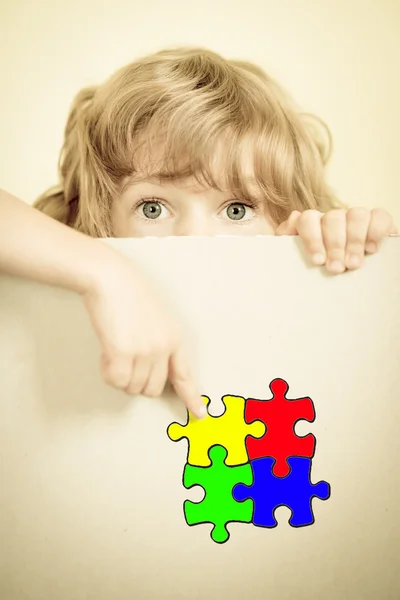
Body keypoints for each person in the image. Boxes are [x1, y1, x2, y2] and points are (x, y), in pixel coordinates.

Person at [0, 47, 397, 418]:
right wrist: (104, 272)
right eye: (152, 208)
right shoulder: (85, 286)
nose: (193, 237)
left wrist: (338, 254)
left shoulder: (299, 275)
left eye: (237, 209)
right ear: (98, 219)